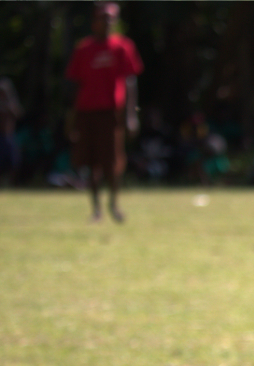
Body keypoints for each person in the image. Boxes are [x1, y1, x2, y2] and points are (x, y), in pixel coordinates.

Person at [65, 2, 143, 222]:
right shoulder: (84, 48)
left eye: (111, 19)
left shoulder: (123, 47)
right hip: (87, 112)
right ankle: (96, 209)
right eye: (103, 18)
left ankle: (114, 205)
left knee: (112, 162)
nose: (107, 23)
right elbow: (74, 85)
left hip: (111, 113)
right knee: (91, 163)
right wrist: (71, 119)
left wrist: (131, 114)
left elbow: (130, 82)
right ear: (94, 21)